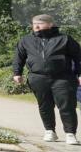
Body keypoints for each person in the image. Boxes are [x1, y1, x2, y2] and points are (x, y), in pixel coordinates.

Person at [13, 14, 81, 145]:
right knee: (45, 106)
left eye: (40, 23)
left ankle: (70, 133)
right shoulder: (26, 40)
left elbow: (78, 57)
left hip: (63, 78)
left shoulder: (64, 39)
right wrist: (17, 73)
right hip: (38, 78)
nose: (36, 26)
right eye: (34, 24)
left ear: (50, 24)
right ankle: (50, 131)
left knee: (67, 106)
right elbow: (19, 57)